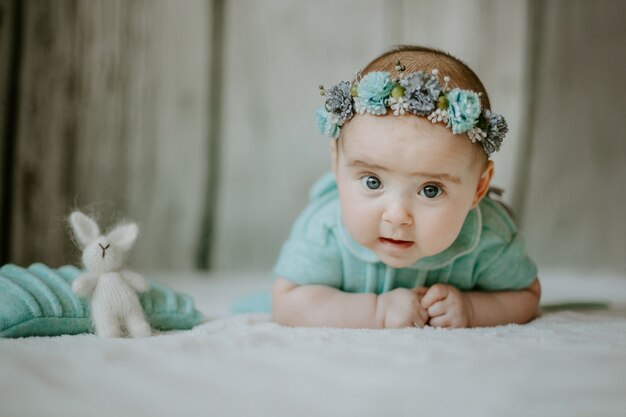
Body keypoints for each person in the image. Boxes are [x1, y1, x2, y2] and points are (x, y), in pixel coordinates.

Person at [271, 45, 541, 329]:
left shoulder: (488, 237)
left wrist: (473, 309)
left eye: (431, 190)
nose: (397, 215)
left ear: (478, 188)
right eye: (372, 182)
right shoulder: (326, 231)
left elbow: (527, 294)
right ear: (337, 165)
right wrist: (377, 312)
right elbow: (287, 302)